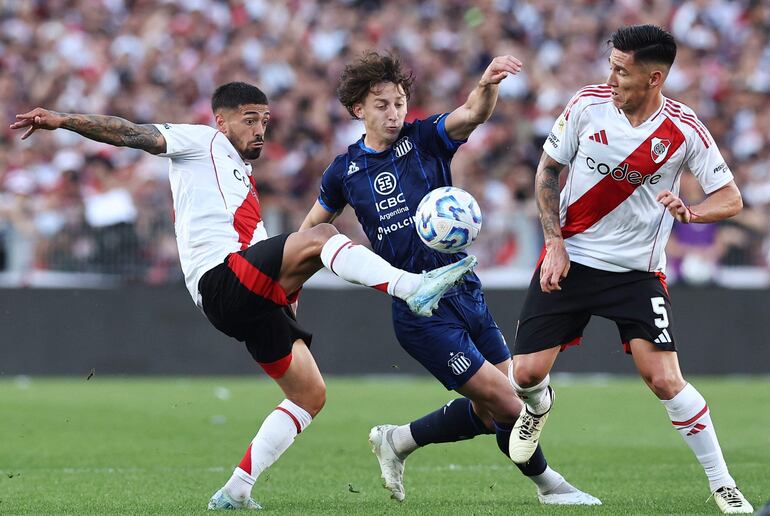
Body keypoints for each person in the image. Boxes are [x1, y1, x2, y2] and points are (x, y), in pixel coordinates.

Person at [10, 82, 477, 510]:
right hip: (221, 279)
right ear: (222, 121)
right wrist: (63, 120)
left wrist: (288, 295)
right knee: (320, 234)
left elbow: (275, 258)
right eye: (249, 119)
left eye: (264, 121)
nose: (259, 130)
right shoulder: (201, 142)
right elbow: (132, 133)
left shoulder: (240, 180)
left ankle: (236, 489)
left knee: (310, 394)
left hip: (245, 294)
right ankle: (410, 287)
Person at [300, 51, 600, 506]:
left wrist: (488, 83)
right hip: (420, 312)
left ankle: (398, 440)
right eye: (382, 104)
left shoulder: (423, 138)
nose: (394, 112)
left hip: (465, 293)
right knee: (513, 407)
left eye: (399, 101)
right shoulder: (344, 172)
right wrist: (284, 281)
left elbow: (473, 113)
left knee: (492, 408)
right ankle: (551, 487)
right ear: (359, 109)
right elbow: (310, 234)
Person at [507, 25, 753, 514]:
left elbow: (731, 197)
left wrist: (694, 212)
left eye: (622, 70)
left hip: (636, 275)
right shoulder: (586, 105)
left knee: (664, 380)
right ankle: (538, 406)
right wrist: (553, 243)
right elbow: (547, 171)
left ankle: (722, 482)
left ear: (654, 78)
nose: (611, 77)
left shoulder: (683, 129)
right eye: (611, 65)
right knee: (526, 375)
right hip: (571, 259)